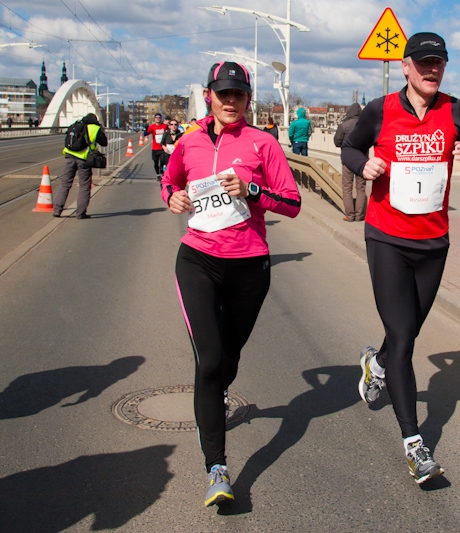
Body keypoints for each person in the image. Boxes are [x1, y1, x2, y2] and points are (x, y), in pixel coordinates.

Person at [341, 32, 460, 484]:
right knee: (404, 336)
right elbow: (349, 147)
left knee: (408, 330)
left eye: (438, 63)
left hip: (433, 242)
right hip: (386, 237)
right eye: (422, 63)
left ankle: (377, 363)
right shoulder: (380, 110)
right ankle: (413, 443)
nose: (430, 70)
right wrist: (362, 165)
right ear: (405, 67)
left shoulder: (455, 110)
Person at [160, 61, 301, 507]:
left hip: (249, 266)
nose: (229, 101)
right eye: (222, 93)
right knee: (209, 359)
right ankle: (216, 468)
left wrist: (252, 192)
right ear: (209, 96)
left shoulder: (263, 144)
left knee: (230, 357)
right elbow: (169, 183)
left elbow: (293, 203)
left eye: (238, 95)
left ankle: (217, 393)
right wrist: (173, 198)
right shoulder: (189, 141)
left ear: (247, 100)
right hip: (198, 260)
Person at [52, 113, 108, 219]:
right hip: (83, 159)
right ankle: (80, 213)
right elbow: (104, 143)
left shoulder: (76, 125)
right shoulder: (95, 128)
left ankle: (57, 210)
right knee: (84, 186)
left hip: (69, 156)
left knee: (65, 184)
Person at [334, 103, 365, 222]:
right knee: (361, 188)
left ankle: (350, 215)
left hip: (347, 160)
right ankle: (359, 215)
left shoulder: (344, 125)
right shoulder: (365, 125)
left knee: (347, 187)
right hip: (362, 160)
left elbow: (337, 142)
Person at [146, 113, 168, 181]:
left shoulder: (164, 126)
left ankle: (162, 171)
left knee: (163, 161)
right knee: (155, 162)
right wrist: (146, 128)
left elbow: (170, 131)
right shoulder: (152, 127)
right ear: (154, 119)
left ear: (161, 118)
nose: (158, 118)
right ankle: (158, 174)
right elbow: (146, 133)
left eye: (159, 117)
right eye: (156, 117)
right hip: (154, 148)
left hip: (162, 147)